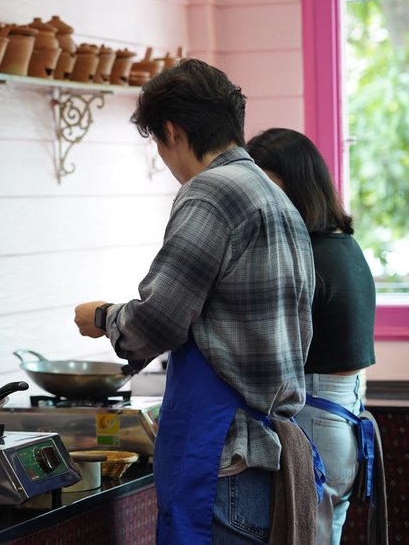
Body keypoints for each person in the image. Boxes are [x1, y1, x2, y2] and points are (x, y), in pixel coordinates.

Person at [74, 59, 317, 544]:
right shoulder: (273, 197)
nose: (166, 161)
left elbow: (158, 322)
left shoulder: (210, 193)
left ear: (172, 130)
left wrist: (103, 316)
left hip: (223, 459)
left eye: (159, 145)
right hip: (263, 450)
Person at [247, 127, 378, 545]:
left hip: (316, 420)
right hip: (344, 417)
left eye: (266, 185)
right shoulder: (345, 247)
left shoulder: (306, 257)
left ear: (295, 185)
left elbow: (268, 347)